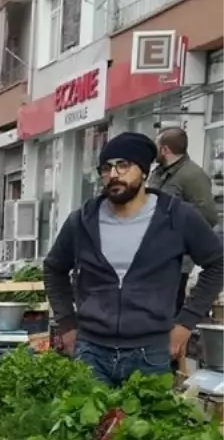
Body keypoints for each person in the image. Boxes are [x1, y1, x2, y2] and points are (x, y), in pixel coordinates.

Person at [43, 131, 224, 386]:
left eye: (123, 165)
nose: (114, 174)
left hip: (149, 354)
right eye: (106, 168)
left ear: (144, 170)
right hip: (91, 352)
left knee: (147, 426)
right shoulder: (83, 221)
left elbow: (217, 263)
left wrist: (185, 323)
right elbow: (53, 269)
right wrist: (67, 324)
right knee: (87, 425)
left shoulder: (176, 217)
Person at [151, 127, 218, 227]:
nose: (153, 151)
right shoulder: (158, 172)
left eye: (156, 147)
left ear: (165, 150)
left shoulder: (193, 175)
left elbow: (208, 217)